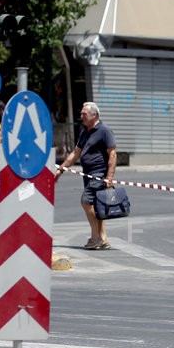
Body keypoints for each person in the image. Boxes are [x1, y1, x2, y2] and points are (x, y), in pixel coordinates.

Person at [54, 102, 117, 250]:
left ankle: (95, 238)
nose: (81, 116)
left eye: (84, 114)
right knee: (98, 207)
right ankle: (103, 238)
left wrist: (109, 177)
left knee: (86, 202)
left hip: (98, 175)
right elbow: (75, 154)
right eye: (81, 113)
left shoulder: (104, 130)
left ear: (94, 115)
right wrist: (60, 170)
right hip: (87, 174)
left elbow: (112, 154)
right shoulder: (85, 132)